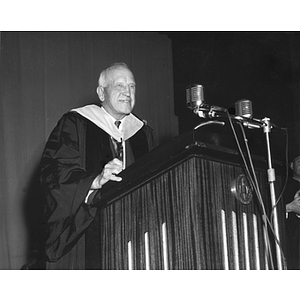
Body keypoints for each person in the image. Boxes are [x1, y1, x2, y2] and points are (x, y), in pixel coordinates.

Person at [40, 62, 155, 269]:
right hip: (87, 231)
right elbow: (54, 173)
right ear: (102, 93)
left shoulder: (143, 133)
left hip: (137, 233)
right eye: (119, 85)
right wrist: (95, 180)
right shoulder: (76, 123)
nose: (127, 92)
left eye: (132, 86)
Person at [284, 155, 300, 269]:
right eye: (299, 161)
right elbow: (270, 210)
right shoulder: (283, 185)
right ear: (291, 165)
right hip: (293, 239)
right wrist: (290, 207)